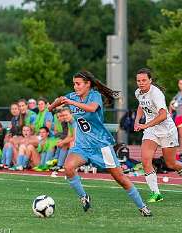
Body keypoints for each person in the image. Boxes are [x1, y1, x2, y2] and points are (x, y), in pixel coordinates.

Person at [48, 70, 152, 217]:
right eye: (74, 84)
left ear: (87, 84)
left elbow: (92, 108)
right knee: (68, 168)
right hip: (82, 146)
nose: (75, 87)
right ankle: (84, 197)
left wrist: (70, 102)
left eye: (78, 84)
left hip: (101, 146)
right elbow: (56, 103)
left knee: (120, 178)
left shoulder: (94, 96)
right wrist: (52, 106)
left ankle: (142, 207)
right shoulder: (72, 96)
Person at [134, 68, 182, 203]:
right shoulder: (138, 92)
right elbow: (140, 106)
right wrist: (137, 121)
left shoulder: (156, 94)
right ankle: (156, 193)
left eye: (144, 80)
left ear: (150, 80)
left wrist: (146, 125)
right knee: (145, 160)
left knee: (170, 163)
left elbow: (163, 115)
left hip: (166, 131)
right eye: (138, 81)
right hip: (151, 131)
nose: (141, 83)